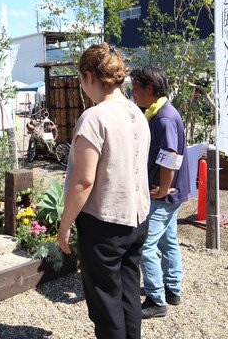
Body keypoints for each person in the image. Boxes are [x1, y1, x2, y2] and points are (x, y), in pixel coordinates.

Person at [58, 43, 150, 339]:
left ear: (89, 77)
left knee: (105, 302)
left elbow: (83, 181)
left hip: (104, 222)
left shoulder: (95, 117)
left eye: (81, 80)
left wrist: (65, 224)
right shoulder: (137, 113)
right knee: (128, 292)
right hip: (137, 218)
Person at [130, 66, 190, 319]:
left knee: (145, 246)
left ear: (149, 88)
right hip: (171, 192)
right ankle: (172, 289)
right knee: (168, 241)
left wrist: (164, 188)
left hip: (163, 193)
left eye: (135, 87)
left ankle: (156, 299)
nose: (133, 92)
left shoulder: (163, 117)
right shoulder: (162, 111)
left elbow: (170, 154)